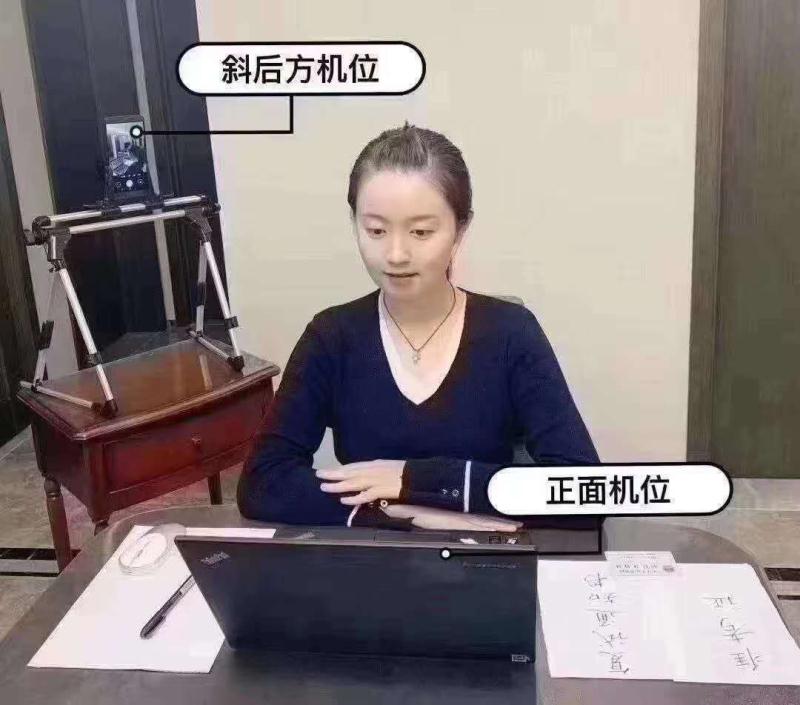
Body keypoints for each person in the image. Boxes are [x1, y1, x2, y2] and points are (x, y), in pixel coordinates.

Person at [237, 123, 599, 531]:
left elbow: (584, 493)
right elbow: (262, 482)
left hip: (482, 559)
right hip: (375, 558)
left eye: (421, 232)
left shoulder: (511, 333)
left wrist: (413, 479)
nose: (395, 254)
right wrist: (400, 515)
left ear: (461, 228)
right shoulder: (331, 336)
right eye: (375, 230)